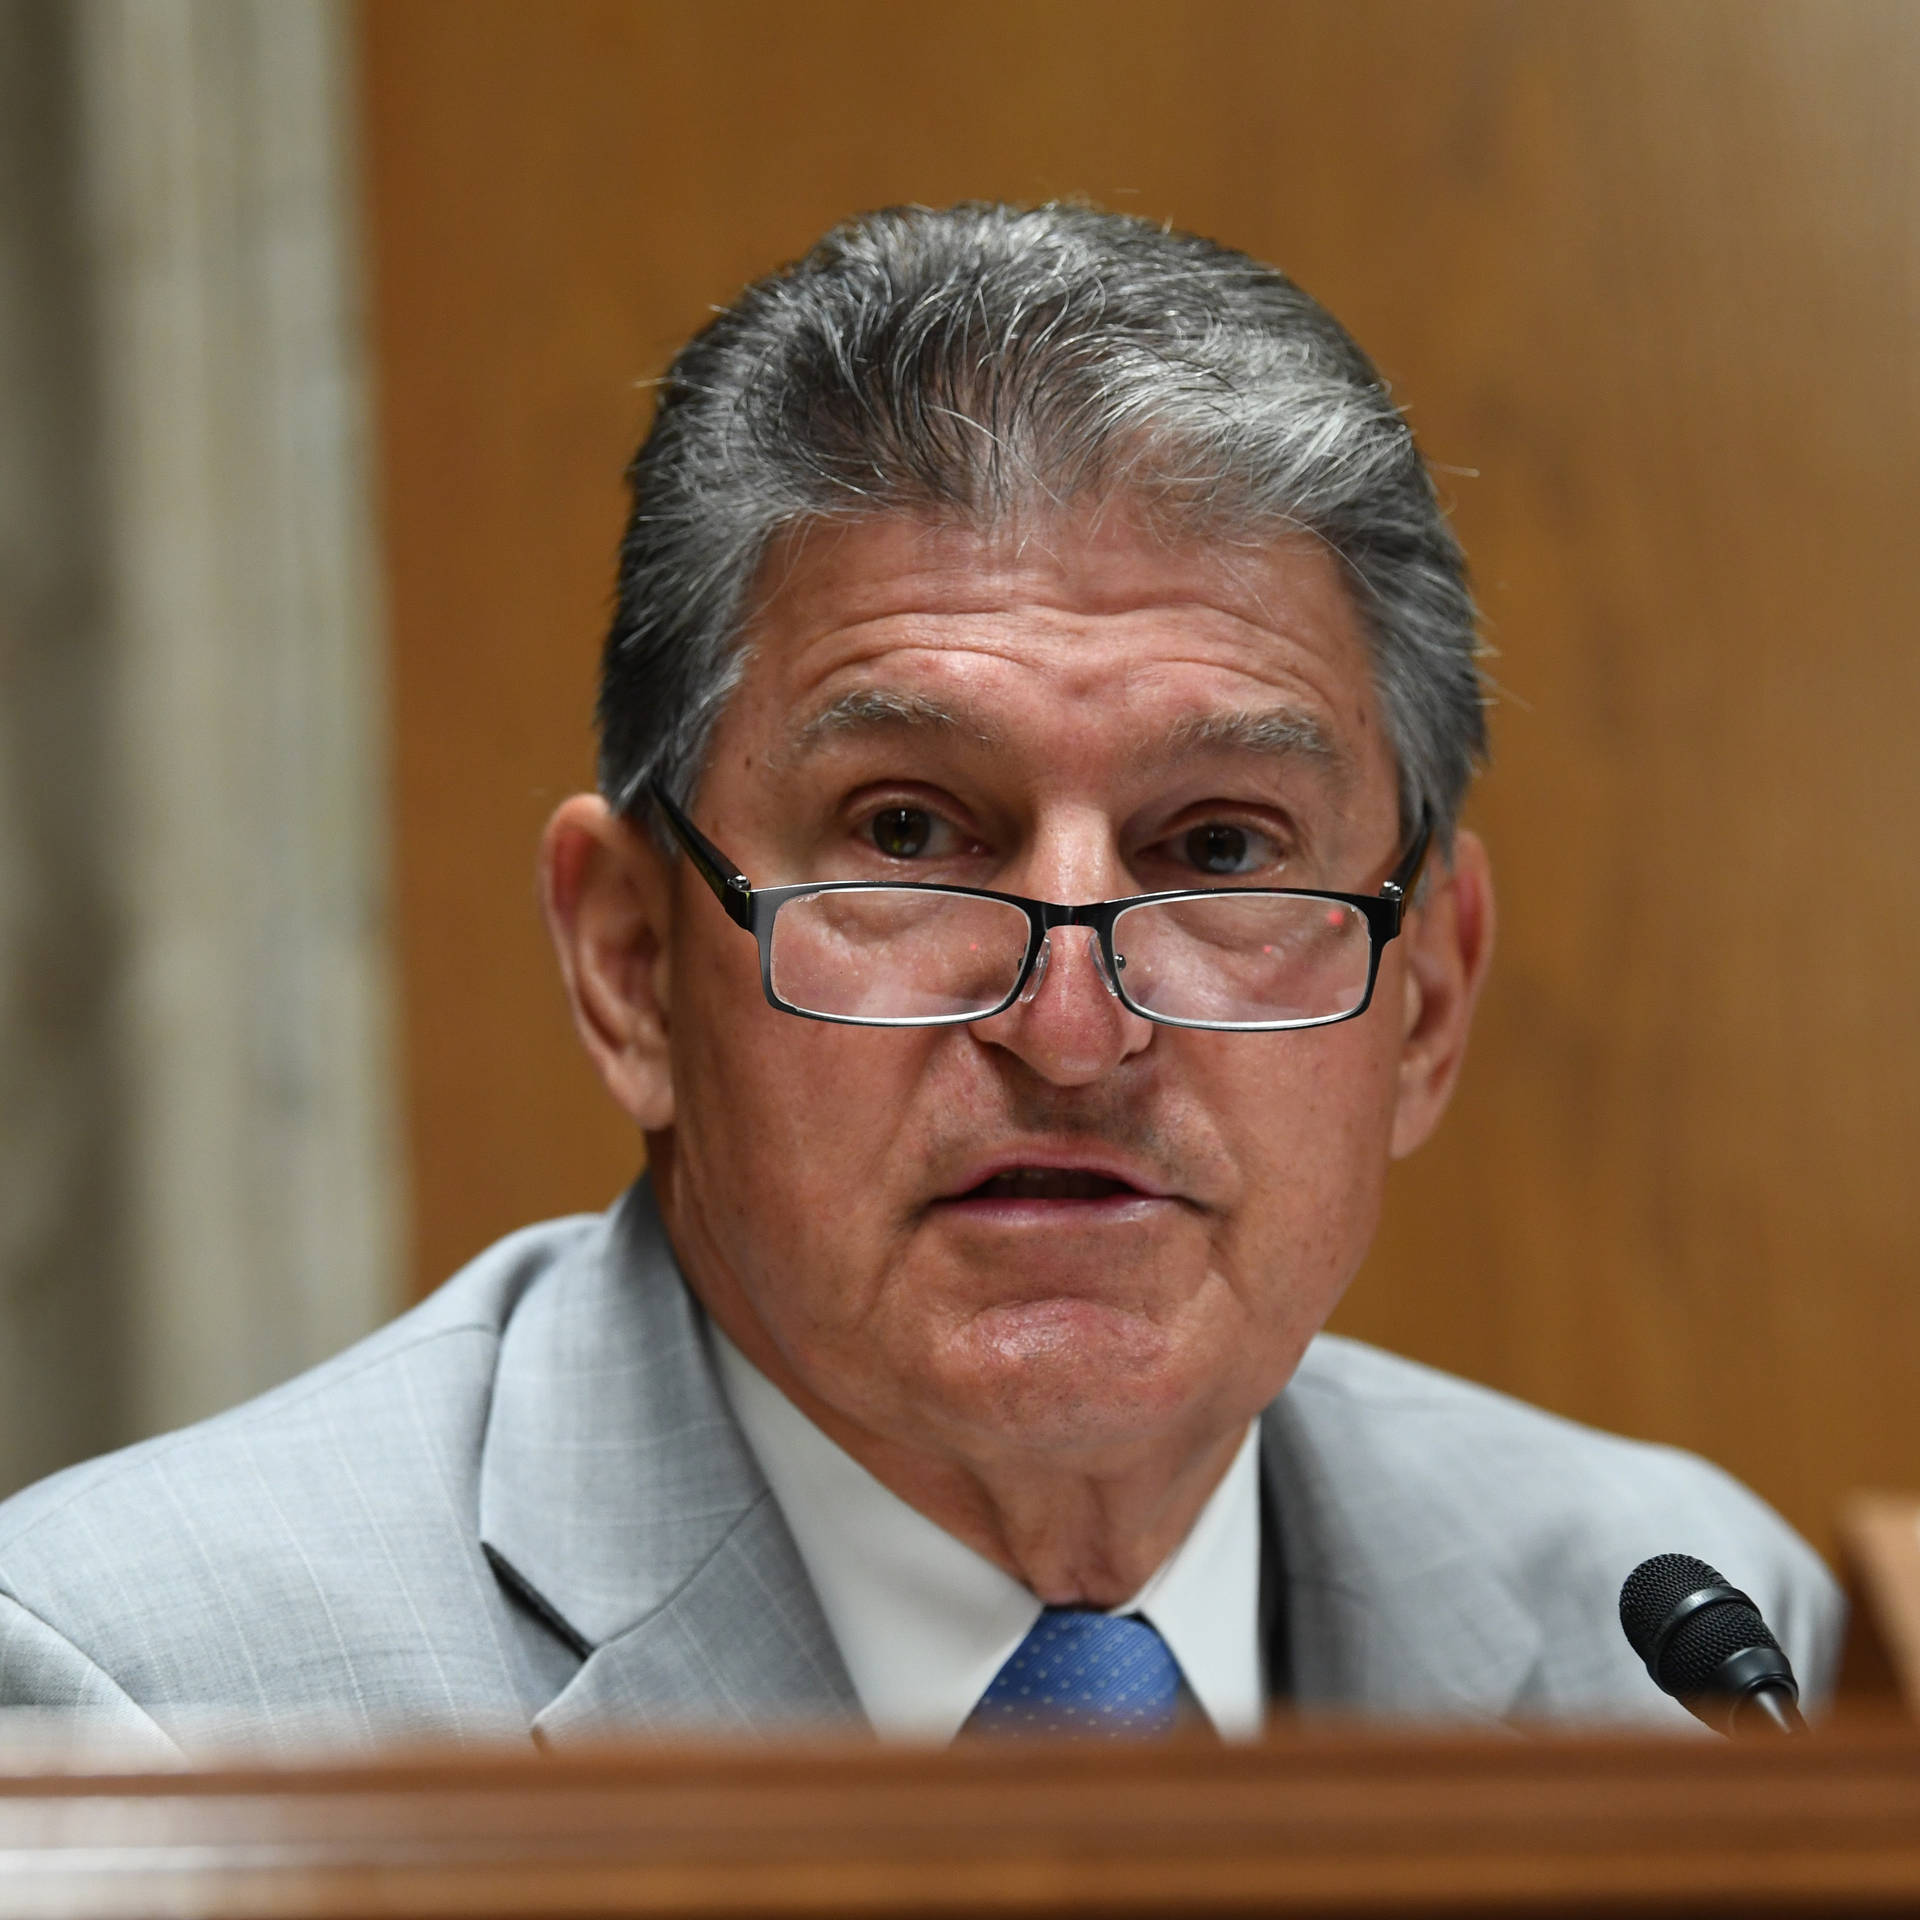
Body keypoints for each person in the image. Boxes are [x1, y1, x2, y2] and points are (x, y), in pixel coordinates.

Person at [0, 204, 1839, 1757]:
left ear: (1424, 1006)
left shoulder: (1690, 1648)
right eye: (905, 833)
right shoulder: (141, 1701)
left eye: (1218, 851)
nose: (1074, 1029)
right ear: (632, 964)